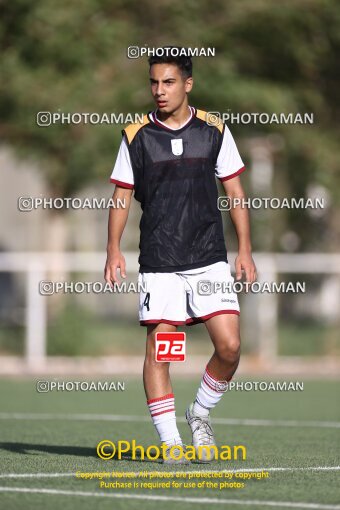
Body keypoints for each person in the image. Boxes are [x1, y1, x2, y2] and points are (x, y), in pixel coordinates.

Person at [104, 48, 256, 463]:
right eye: (153, 82)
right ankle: (171, 442)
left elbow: (235, 193)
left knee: (230, 346)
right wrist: (113, 249)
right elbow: (121, 197)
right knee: (163, 349)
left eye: (168, 82)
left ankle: (200, 414)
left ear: (187, 84)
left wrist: (244, 250)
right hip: (161, 262)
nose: (159, 90)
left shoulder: (215, 131)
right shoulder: (136, 135)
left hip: (208, 256)